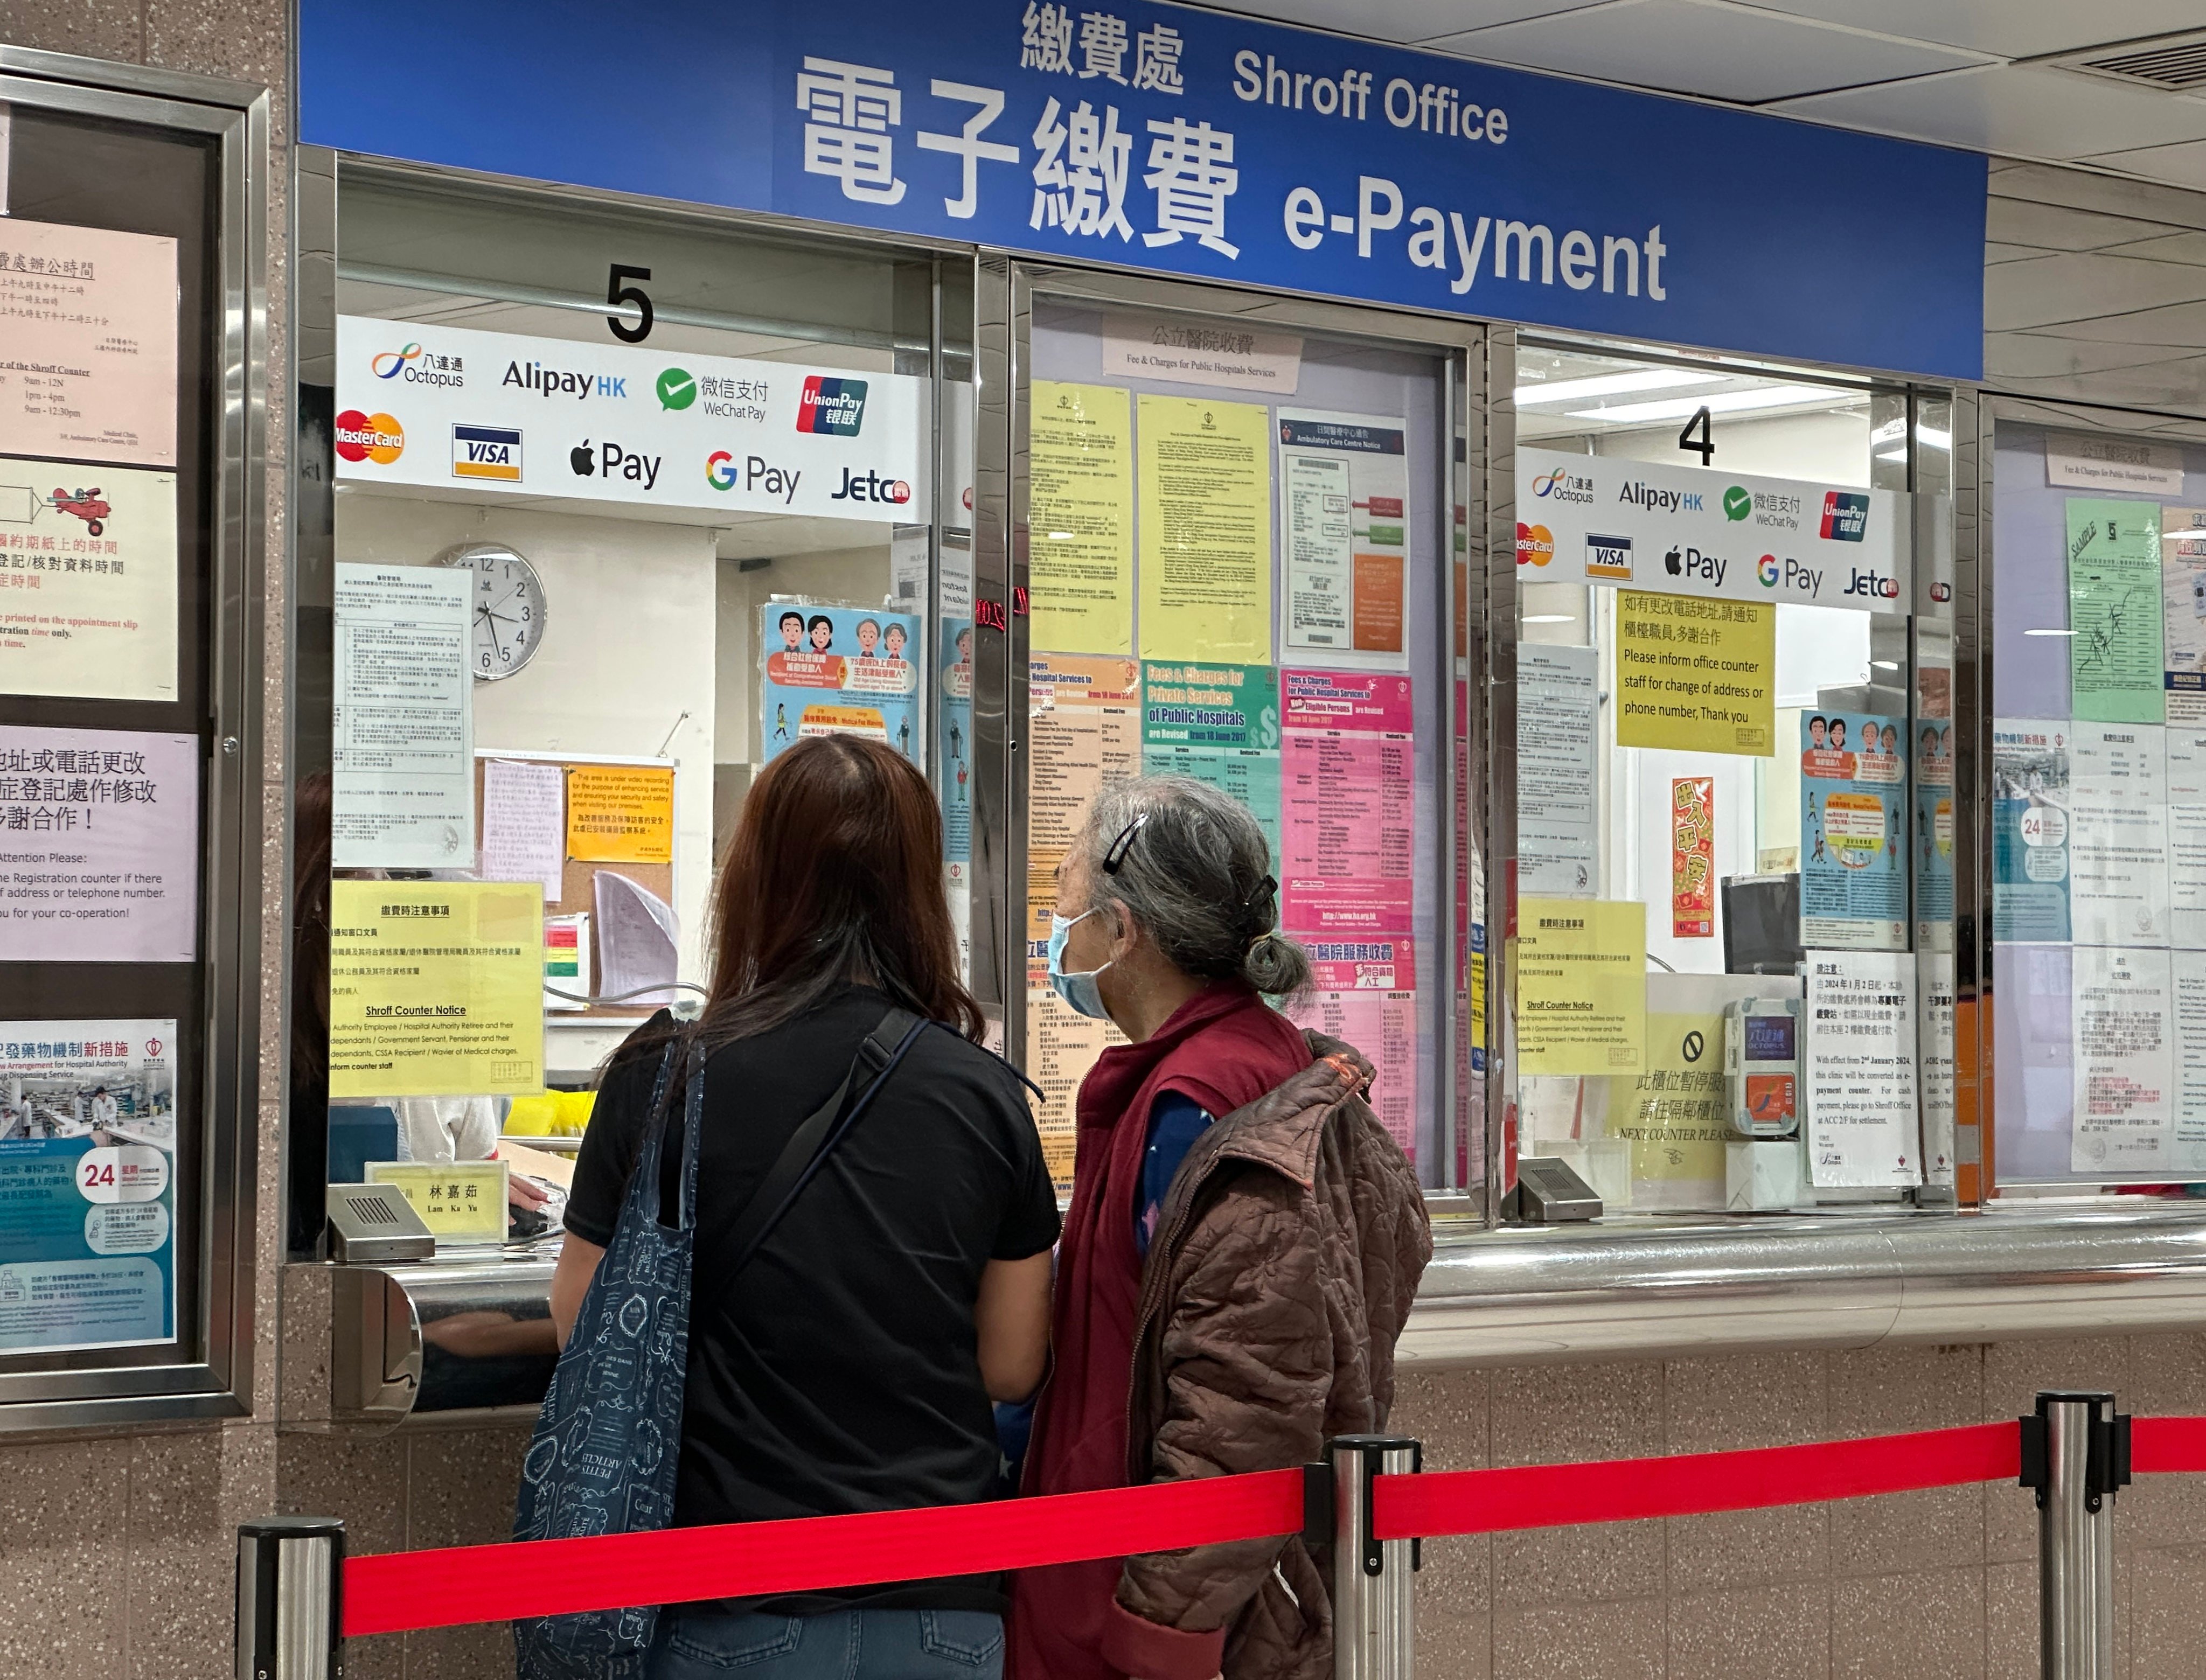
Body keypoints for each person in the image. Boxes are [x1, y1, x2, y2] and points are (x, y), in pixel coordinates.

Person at [554, 735, 1058, 1680]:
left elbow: (585, 1321)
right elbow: (1012, 1361)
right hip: (941, 1613)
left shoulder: (664, 1079)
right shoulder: (987, 1098)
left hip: (728, 1601)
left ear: (753, 881)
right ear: (917, 893)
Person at [1011, 776, 1431, 1680]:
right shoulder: (1264, 1061)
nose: (1057, 926)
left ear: (1124, 933)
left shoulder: (1192, 1108)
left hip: (1147, 1606)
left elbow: (1242, 1410)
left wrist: (1159, 1632)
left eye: (1068, 900)